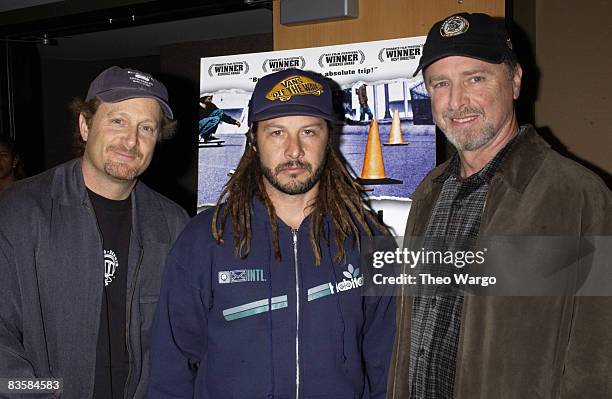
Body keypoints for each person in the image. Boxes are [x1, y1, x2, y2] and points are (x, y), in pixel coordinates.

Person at [387, 13, 612, 399]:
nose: (456, 102)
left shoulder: (578, 197)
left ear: (515, 81)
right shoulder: (429, 192)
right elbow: (411, 335)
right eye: (441, 84)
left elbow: (597, 361)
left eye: (475, 78)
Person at [148, 68, 395, 398]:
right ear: (254, 140)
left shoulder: (369, 238)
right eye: (276, 133)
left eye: (308, 132)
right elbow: (171, 369)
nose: (293, 150)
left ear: (329, 138)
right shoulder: (205, 240)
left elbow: (388, 364)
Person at [0, 66, 190, 399]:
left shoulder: (172, 223)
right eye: (117, 121)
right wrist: (46, 394)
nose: (131, 141)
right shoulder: (19, 210)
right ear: (85, 125)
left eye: (146, 127)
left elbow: (178, 339)